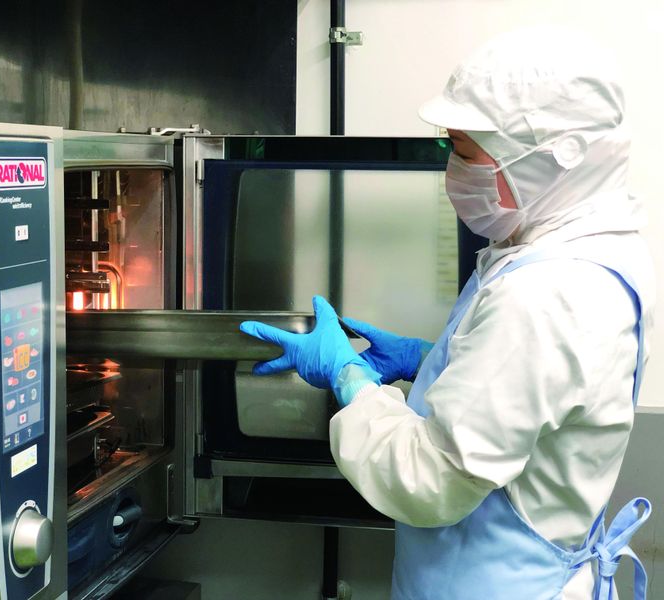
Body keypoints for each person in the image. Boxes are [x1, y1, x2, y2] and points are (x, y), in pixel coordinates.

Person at [240, 26, 655, 600]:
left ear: (545, 162)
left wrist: (349, 378)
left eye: (463, 151)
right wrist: (430, 360)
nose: (452, 172)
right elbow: (537, 396)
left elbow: (430, 480)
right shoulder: (595, 250)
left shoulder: (545, 293)